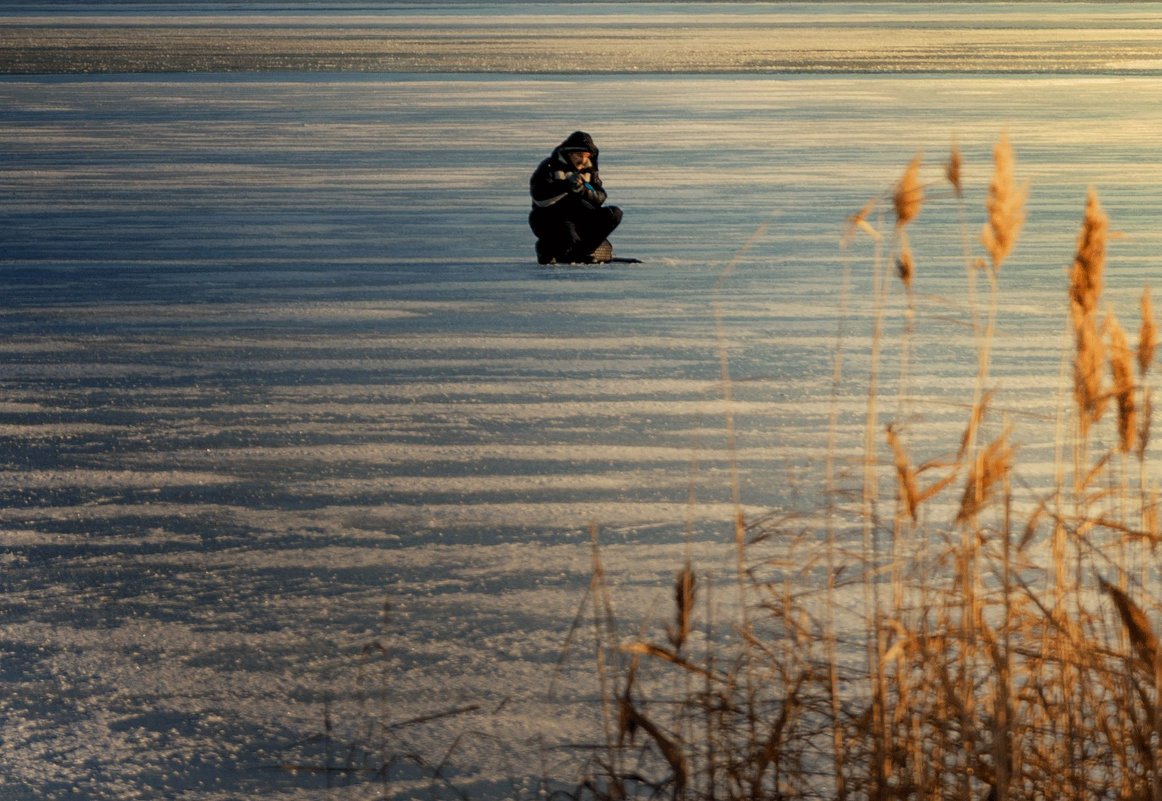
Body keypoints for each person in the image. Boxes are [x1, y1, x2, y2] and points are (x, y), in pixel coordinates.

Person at [529, 131, 622, 264]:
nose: (583, 160)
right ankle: (548, 248)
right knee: (567, 233)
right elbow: (540, 198)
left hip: (579, 216)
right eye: (579, 155)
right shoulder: (549, 167)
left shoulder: (589, 170)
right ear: (569, 153)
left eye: (587, 156)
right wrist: (566, 186)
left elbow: (600, 197)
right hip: (550, 218)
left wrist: (584, 191)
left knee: (613, 213)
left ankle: (581, 252)